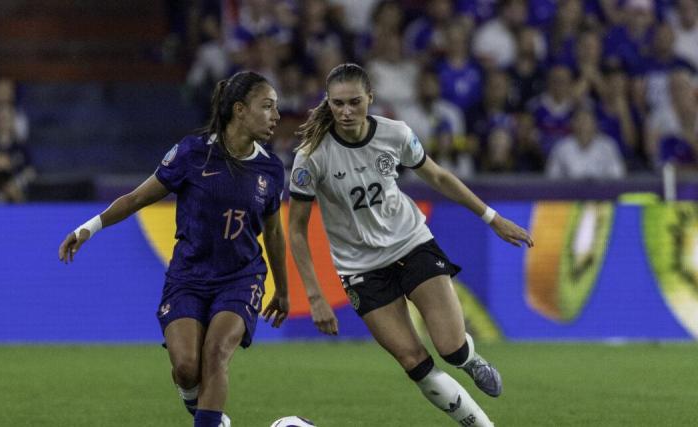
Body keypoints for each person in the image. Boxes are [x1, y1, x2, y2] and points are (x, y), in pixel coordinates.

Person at [288, 63, 533, 426]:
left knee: (451, 348)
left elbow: (437, 176)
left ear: (370, 98)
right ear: (328, 103)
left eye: (355, 102)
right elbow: (295, 229)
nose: (346, 111)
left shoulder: (395, 134)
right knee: (413, 362)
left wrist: (492, 218)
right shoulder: (312, 156)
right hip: (360, 269)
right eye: (337, 104)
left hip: (411, 244)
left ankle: (469, 359)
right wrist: (314, 294)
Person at [58, 71, 290, 427]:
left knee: (216, 353)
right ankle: (207, 414)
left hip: (240, 278)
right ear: (240, 110)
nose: (276, 115)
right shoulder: (192, 153)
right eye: (267, 106)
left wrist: (283, 290)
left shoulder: (271, 170)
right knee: (185, 368)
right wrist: (89, 228)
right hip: (189, 276)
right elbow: (137, 197)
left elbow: (273, 234)